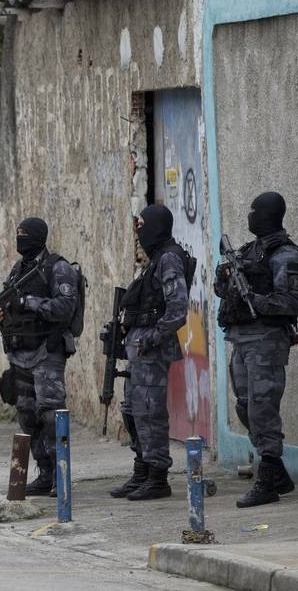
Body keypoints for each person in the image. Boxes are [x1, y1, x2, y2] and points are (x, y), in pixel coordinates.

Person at [214, 191, 298, 508]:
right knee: (245, 406)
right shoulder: (248, 251)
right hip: (241, 339)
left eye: (257, 211)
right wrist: (226, 279)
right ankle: (278, 472)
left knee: (262, 409)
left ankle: (267, 480)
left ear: (271, 215)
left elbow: (290, 302)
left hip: (267, 340)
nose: (251, 216)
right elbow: (221, 290)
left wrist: (253, 299)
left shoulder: (287, 255)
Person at [0, 218, 79, 497]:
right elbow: (8, 305)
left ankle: (60, 476)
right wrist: (1, 316)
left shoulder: (58, 268)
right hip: (21, 354)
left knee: (51, 415)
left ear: (39, 237)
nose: (20, 240)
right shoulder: (19, 270)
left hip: (47, 351)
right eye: (17, 235)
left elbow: (65, 307)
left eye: (25, 235)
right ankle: (45, 473)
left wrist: (27, 302)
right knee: (27, 417)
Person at [109, 204, 190, 501]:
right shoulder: (156, 259)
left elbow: (178, 308)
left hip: (151, 350)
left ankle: (157, 477)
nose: (139, 231)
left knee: (150, 412)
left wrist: (153, 337)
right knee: (132, 410)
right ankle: (142, 470)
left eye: (143, 225)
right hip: (139, 350)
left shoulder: (168, 258)